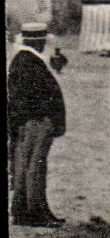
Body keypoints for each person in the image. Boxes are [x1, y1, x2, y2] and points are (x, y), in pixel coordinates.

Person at [8, 23, 66, 226]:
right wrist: (45, 117)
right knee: (35, 166)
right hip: (35, 122)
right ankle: (35, 211)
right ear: (38, 42)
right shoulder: (29, 62)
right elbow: (33, 96)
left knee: (25, 165)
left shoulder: (24, 60)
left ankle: (25, 210)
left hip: (29, 121)